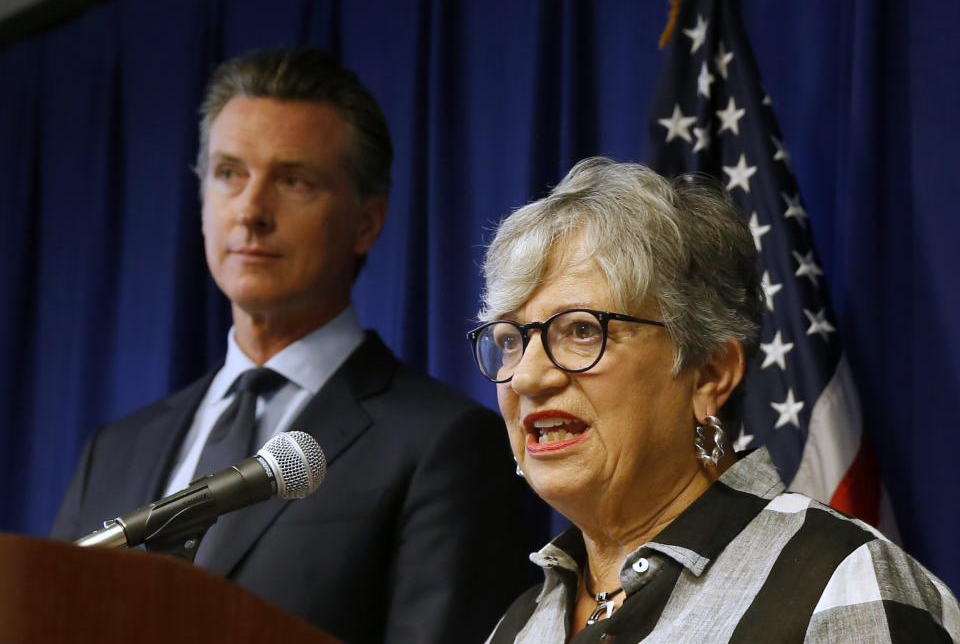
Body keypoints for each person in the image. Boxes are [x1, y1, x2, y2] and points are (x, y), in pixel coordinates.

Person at [51, 47, 541, 643]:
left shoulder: (445, 445)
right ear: (203, 200)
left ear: (367, 221)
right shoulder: (115, 450)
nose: (251, 212)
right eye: (230, 174)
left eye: (294, 181)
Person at [469, 157, 960, 643]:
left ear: (709, 374)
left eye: (580, 330)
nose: (527, 377)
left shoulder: (840, 586)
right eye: (512, 339)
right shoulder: (517, 627)